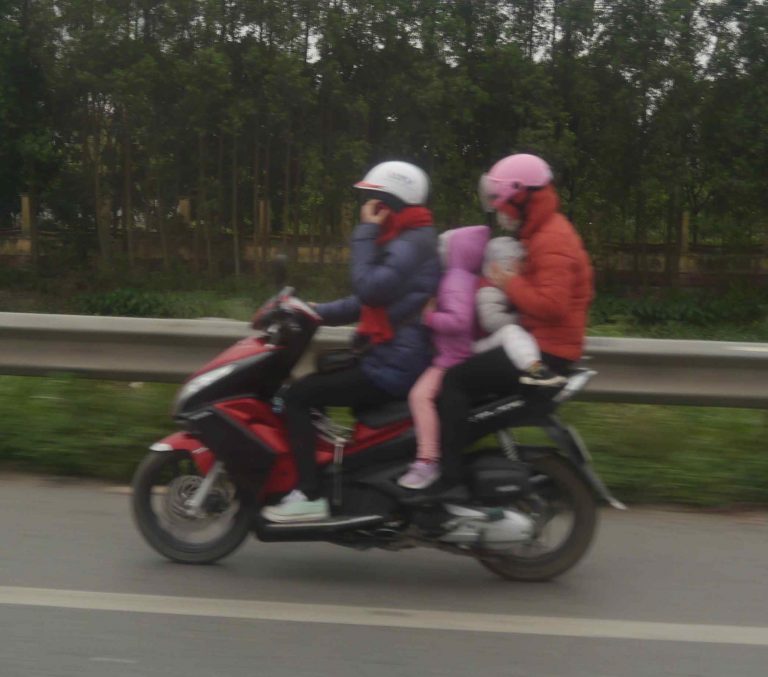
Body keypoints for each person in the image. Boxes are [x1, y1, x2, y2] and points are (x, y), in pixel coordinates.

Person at [262, 161, 440, 522]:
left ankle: (309, 493)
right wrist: (317, 312)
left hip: (395, 366)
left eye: (373, 200)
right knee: (318, 377)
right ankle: (333, 475)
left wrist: (365, 232)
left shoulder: (410, 243)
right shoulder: (409, 238)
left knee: (298, 397)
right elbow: (371, 301)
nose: (367, 206)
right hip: (391, 354)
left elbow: (370, 289)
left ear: (389, 203)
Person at [436, 153, 594, 487]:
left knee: (454, 382)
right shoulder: (541, 232)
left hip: (547, 352)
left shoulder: (551, 238)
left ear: (522, 197)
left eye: (503, 202)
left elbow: (552, 305)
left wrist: (510, 283)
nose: (500, 210)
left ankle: (448, 480)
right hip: (540, 342)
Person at [398, 225, 491, 490]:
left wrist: (429, 318)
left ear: (457, 251)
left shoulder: (454, 280)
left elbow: (459, 322)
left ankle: (427, 460)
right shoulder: (469, 278)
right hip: (460, 354)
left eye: (446, 247)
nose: (441, 251)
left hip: (452, 359)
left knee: (419, 396)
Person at [474, 236, 567, 387]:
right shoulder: (489, 290)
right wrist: (522, 319)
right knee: (511, 331)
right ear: (502, 267)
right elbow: (490, 322)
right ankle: (535, 370)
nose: (523, 268)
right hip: (481, 345)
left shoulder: (503, 287)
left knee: (516, 333)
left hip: (494, 340)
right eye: (518, 264)